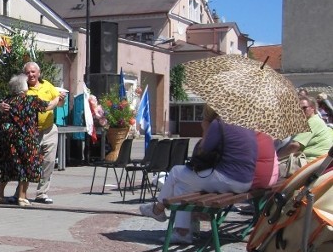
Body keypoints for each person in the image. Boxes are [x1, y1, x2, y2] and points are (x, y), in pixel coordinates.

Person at [139, 105, 264, 244]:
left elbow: (202, 150)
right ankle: (182, 232)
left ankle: (158, 209)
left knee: (175, 172)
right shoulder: (244, 124)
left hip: (228, 178)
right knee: (182, 186)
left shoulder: (219, 124)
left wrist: (206, 129)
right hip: (245, 181)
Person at [0, 62, 65, 204]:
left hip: (47, 129)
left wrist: (60, 99)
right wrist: (0, 106)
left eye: (33, 72)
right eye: (28, 72)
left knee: (48, 161)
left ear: (39, 73)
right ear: (24, 75)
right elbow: (48, 105)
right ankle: (20, 195)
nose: (31, 74)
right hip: (29, 133)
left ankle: (41, 193)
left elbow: (59, 103)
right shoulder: (22, 89)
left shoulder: (47, 85)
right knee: (27, 163)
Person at [0, 74, 50, 207]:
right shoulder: (30, 100)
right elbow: (48, 106)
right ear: (23, 87)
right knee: (27, 166)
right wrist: (58, 98)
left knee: (6, 166)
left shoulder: (5, 101)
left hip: (8, 140)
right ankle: (22, 197)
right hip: (26, 139)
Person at [276, 96, 333, 178]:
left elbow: (294, 145)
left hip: (309, 162)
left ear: (312, 108)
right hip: (312, 161)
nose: (301, 111)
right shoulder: (313, 121)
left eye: (304, 108)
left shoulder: (313, 121)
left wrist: (275, 159)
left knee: (270, 172)